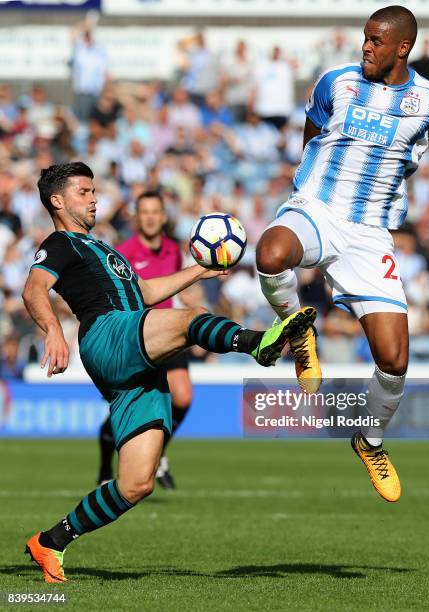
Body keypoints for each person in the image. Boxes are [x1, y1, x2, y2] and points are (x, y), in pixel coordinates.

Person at [22, 162, 316, 583]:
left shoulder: (104, 249)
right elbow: (33, 288)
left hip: (131, 351)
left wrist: (199, 269)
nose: (93, 198)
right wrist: (52, 330)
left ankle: (50, 541)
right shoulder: (60, 243)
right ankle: (259, 343)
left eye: (93, 190)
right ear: (57, 200)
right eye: (84, 191)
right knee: (190, 318)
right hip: (107, 336)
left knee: (136, 484)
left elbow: (142, 293)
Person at [255, 5, 429, 503]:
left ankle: (371, 440)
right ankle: (299, 335)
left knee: (395, 358)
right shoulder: (334, 82)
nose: (366, 46)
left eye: (377, 41)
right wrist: (307, 180)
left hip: (370, 233)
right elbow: (312, 133)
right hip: (318, 207)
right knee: (271, 253)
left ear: (402, 47)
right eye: (365, 37)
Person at [97, 190, 189, 489]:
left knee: (183, 397)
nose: (150, 217)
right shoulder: (123, 252)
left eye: (155, 211)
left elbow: (173, 289)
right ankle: (104, 469)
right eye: (144, 212)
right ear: (137, 217)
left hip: (169, 332)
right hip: (136, 337)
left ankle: (160, 453)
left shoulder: (174, 250)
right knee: (125, 409)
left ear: (163, 217)